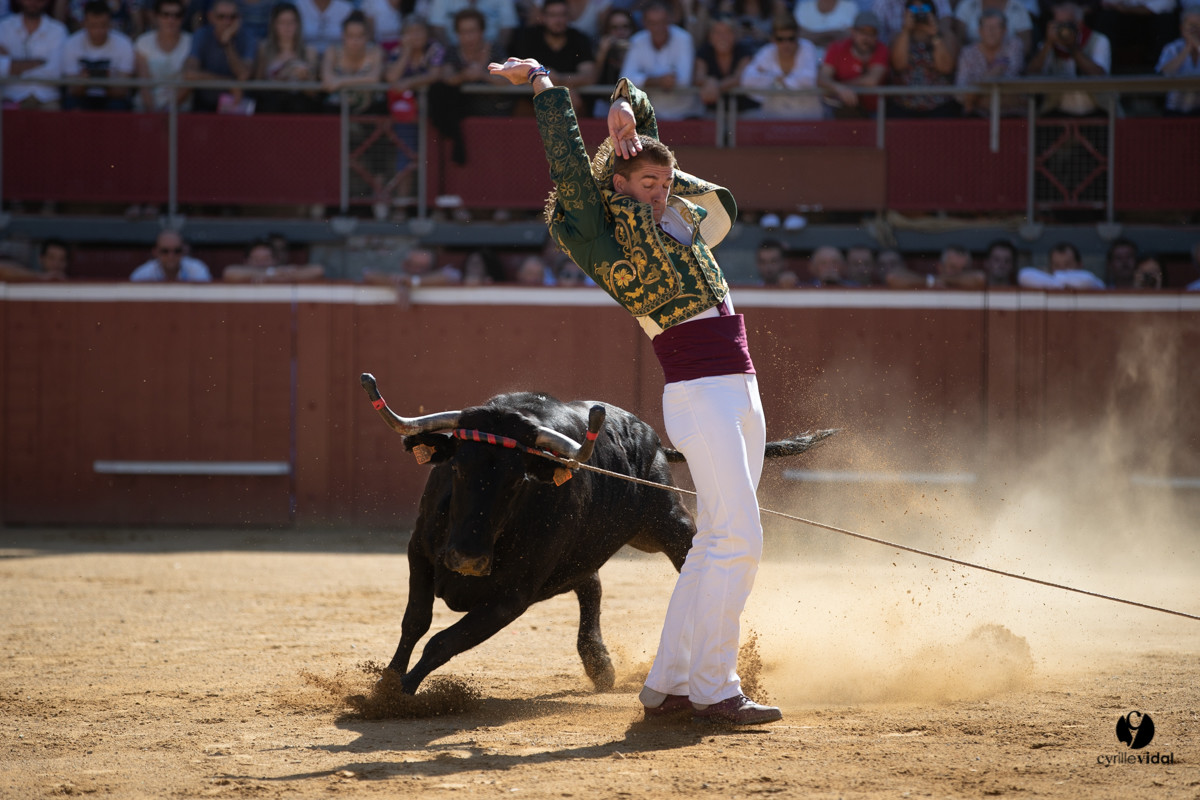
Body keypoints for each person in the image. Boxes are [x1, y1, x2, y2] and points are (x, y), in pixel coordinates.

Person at [488, 56, 783, 726]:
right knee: (739, 537)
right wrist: (543, 85)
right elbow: (570, 164)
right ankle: (715, 687)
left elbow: (637, 129)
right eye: (645, 181)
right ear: (616, 186)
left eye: (665, 178)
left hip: (739, 386)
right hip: (701, 392)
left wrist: (627, 107)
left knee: (716, 540)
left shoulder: (674, 214)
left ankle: (670, 685)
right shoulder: (600, 230)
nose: (660, 187)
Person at [1025, 0, 1110, 117]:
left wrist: (1073, 49)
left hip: (1096, 110)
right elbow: (1031, 74)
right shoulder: (1048, 45)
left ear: (1079, 23)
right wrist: (1048, 44)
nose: (1063, 29)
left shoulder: (1098, 40)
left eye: (1067, 24)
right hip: (1057, 111)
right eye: (1059, 24)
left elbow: (1099, 75)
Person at [619, 0, 698, 120]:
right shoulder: (638, 41)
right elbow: (625, 80)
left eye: (662, 22)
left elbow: (684, 81)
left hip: (686, 115)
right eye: (652, 23)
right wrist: (658, 81)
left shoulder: (684, 39)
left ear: (670, 21)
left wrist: (644, 79)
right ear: (644, 23)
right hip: (651, 117)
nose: (658, 28)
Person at [513, 0, 596, 105]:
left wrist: (555, 79)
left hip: (570, 101)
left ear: (569, 17)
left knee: (571, 100)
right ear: (543, 17)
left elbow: (589, 76)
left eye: (562, 15)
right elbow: (520, 73)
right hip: (532, 101)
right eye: (553, 15)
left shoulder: (580, 39)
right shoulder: (528, 38)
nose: (558, 20)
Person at [740, 16, 824, 119]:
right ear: (773, 39)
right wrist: (776, 79)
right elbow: (748, 79)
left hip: (807, 117)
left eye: (791, 39)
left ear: (798, 36)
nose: (786, 44)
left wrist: (777, 80)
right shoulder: (767, 52)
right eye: (780, 39)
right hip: (775, 119)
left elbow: (808, 79)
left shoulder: (807, 48)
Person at [60, 0, 136, 110]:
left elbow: (122, 91)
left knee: (118, 106)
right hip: (82, 97)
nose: (98, 31)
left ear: (110, 23)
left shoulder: (124, 44)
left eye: (103, 25)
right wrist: (83, 82)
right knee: (71, 105)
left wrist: (106, 83)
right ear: (84, 23)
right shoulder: (71, 44)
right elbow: (72, 90)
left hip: (113, 99)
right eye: (93, 25)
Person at [888, 0, 960, 117]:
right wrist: (906, 31)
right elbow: (898, 65)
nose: (919, 14)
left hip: (940, 108)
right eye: (914, 10)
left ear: (934, 14)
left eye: (925, 10)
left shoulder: (946, 36)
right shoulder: (898, 37)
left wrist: (935, 35)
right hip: (904, 108)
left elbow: (946, 67)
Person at [184, 0, 255, 113]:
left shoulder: (247, 36)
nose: (227, 21)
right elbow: (189, 73)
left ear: (239, 19)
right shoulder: (201, 35)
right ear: (211, 17)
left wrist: (227, 43)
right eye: (221, 16)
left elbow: (243, 75)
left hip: (236, 107)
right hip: (204, 104)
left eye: (232, 17)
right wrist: (229, 83)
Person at [0, 0, 68, 111]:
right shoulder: (3, 27)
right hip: (11, 97)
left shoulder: (58, 30)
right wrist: (37, 63)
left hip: (47, 98)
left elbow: (54, 72)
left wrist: (13, 66)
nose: (33, 2)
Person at [818, 10, 888, 117]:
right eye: (863, 32)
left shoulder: (882, 49)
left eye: (872, 33)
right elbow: (822, 77)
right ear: (853, 32)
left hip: (873, 113)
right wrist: (839, 88)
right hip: (839, 110)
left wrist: (842, 87)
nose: (867, 38)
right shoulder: (837, 48)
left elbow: (871, 81)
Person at [252, 2, 320, 113]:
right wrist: (278, 80)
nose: (287, 27)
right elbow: (257, 86)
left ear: (298, 24)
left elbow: (313, 93)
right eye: (282, 22)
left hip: (300, 108)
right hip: (272, 107)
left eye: (291, 22)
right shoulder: (264, 49)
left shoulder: (309, 52)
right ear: (274, 25)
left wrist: (304, 79)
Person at [955, 9, 1024, 116]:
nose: (991, 32)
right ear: (980, 31)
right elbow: (960, 93)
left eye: (996, 27)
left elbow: (1011, 84)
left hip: (1010, 114)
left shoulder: (1014, 46)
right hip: (977, 115)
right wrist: (994, 72)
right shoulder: (967, 52)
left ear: (1004, 30)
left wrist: (975, 95)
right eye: (987, 27)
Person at [694, 13, 757, 115]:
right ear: (710, 36)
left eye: (727, 32)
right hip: (712, 112)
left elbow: (740, 77)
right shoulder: (704, 52)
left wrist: (715, 86)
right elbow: (698, 77)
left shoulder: (744, 51)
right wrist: (709, 80)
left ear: (735, 34)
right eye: (717, 33)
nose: (722, 37)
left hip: (745, 111)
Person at [321, 10, 383, 112]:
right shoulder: (332, 51)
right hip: (336, 110)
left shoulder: (375, 51)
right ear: (343, 36)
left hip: (370, 111)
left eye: (360, 36)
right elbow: (327, 80)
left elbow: (374, 78)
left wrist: (340, 81)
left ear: (367, 36)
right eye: (350, 36)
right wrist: (361, 81)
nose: (355, 41)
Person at [134, 0, 192, 112]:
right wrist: (154, 114)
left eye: (177, 15)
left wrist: (169, 111)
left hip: (181, 112)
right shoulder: (143, 42)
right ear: (156, 16)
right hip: (146, 110)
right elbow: (144, 83)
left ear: (183, 18)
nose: (171, 20)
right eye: (165, 15)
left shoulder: (192, 42)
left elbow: (189, 82)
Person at [1156, 9, 1200, 115]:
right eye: (1191, 25)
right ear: (1182, 28)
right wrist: (1187, 48)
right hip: (1175, 110)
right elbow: (1164, 73)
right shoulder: (1172, 48)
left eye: (1199, 25)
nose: (1195, 30)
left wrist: (1197, 46)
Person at [591, 7, 635, 114]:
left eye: (625, 27)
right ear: (608, 30)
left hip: (634, 105)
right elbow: (592, 80)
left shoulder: (639, 47)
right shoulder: (600, 49)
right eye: (614, 28)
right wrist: (602, 54)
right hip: (606, 104)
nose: (620, 32)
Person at [222, 239, 325, 282]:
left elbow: (318, 270)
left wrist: (279, 273)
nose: (261, 263)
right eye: (256, 259)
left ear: (275, 260)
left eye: (266, 259)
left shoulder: (282, 272)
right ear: (246, 261)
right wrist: (270, 273)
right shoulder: (243, 273)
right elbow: (228, 272)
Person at [427, 0, 518, 48]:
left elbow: (507, 28)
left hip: (492, 52)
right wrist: (451, 55)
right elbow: (437, 27)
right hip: (452, 51)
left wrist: (495, 53)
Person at [886, 245, 986, 287]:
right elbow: (892, 277)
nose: (959, 273)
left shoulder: (971, 281)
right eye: (953, 267)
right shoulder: (929, 281)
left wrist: (945, 279)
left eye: (964, 269)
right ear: (940, 267)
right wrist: (931, 280)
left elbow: (979, 278)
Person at [131, 230, 213, 281]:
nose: (171, 256)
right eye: (165, 251)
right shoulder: (142, 274)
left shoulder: (197, 269)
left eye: (177, 251)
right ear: (155, 252)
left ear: (184, 251)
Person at [953, 0, 1031, 53]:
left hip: (1008, 64)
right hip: (972, 62)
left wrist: (1001, 58)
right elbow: (958, 40)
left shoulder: (1018, 7)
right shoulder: (967, 5)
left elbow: (1025, 46)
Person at [1017, 241, 1104, 289]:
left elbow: (1086, 280)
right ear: (1050, 266)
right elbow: (1023, 275)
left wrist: (1052, 277)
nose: (1062, 270)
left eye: (1068, 264)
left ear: (1079, 265)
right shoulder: (1050, 281)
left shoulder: (1094, 282)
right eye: (1057, 265)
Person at [794, 0, 859, 61]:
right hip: (806, 61)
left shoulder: (850, 7)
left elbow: (851, 36)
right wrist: (833, 35)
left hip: (839, 62)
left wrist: (812, 36)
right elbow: (797, 34)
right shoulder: (804, 7)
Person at [0, 238, 70, 281]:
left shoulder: (72, 282)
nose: (56, 263)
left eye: (62, 259)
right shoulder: (32, 278)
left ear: (67, 262)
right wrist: (41, 277)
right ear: (41, 259)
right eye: (51, 258)